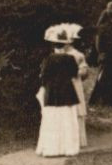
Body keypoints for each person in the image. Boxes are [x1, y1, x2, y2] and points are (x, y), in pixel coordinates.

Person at [36, 25, 85, 157]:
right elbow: (74, 74)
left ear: (53, 45)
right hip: (67, 93)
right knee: (67, 120)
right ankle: (68, 148)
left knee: (52, 120)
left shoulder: (48, 59)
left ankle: (51, 149)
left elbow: (43, 77)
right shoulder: (70, 59)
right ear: (65, 45)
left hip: (52, 93)